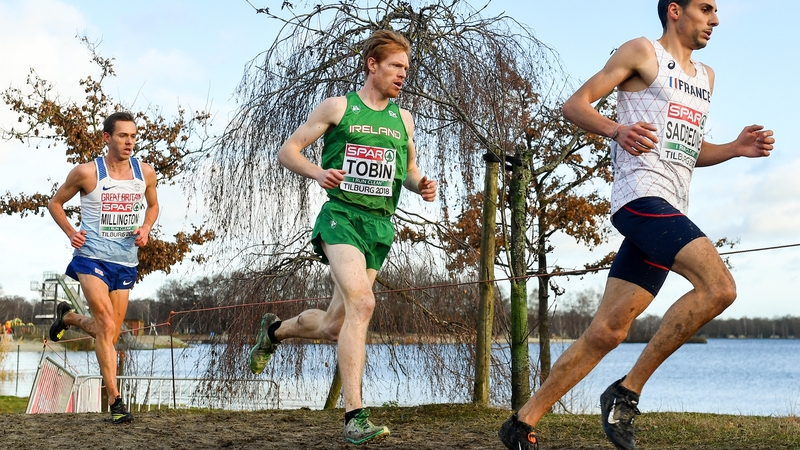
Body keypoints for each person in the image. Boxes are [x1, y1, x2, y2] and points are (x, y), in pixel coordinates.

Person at [498, 1, 775, 449]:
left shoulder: (706, 78)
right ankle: (626, 392)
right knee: (720, 287)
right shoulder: (641, 52)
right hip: (640, 199)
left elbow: (688, 151)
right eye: (706, 8)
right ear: (675, 11)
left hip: (670, 206)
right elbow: (575, 105)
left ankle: (521, 423)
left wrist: (733, 148)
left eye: (718, 11)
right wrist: (616, 131)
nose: (716, 20)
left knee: (608, 330)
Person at [247, 30, 437, 445]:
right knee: (364, 304)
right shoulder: (339, 107)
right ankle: (355, 416)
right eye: (395, 66)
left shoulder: (402, 119)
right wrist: (318, 172)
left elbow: (407, 169)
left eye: (406, 68)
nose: (403, 74)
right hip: (342, 218)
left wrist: (420, 183)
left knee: (336, 325)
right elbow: (288, 150)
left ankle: (274, 332)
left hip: (379, 225)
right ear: (373, 65)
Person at [48, 111, 159, 424]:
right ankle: (116, 401)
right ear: (106, 138)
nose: (129, 142)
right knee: (107, 326)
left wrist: (146, 228)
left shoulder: (145, 173)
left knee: (108, 333)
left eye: (133, 136)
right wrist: (71, 232)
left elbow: (153, 205)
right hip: (91, 256)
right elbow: (54, 203)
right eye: (123, 135)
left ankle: (67, 316)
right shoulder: (86, 173)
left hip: (124, 261)